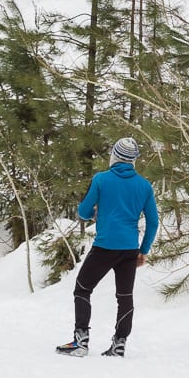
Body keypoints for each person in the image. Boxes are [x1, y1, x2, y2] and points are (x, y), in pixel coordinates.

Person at [57, 137, 159, 358]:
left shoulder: (101, 179)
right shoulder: (144, 186)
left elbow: (83, 212)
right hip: (129, 250)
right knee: (125, 296)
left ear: (114, 156)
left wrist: (95, 213)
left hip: (104, 247)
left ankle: (81, 341)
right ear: (133, 161)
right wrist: (143, 250)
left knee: (83, 289)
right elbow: (153, 222)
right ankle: (119, 344)